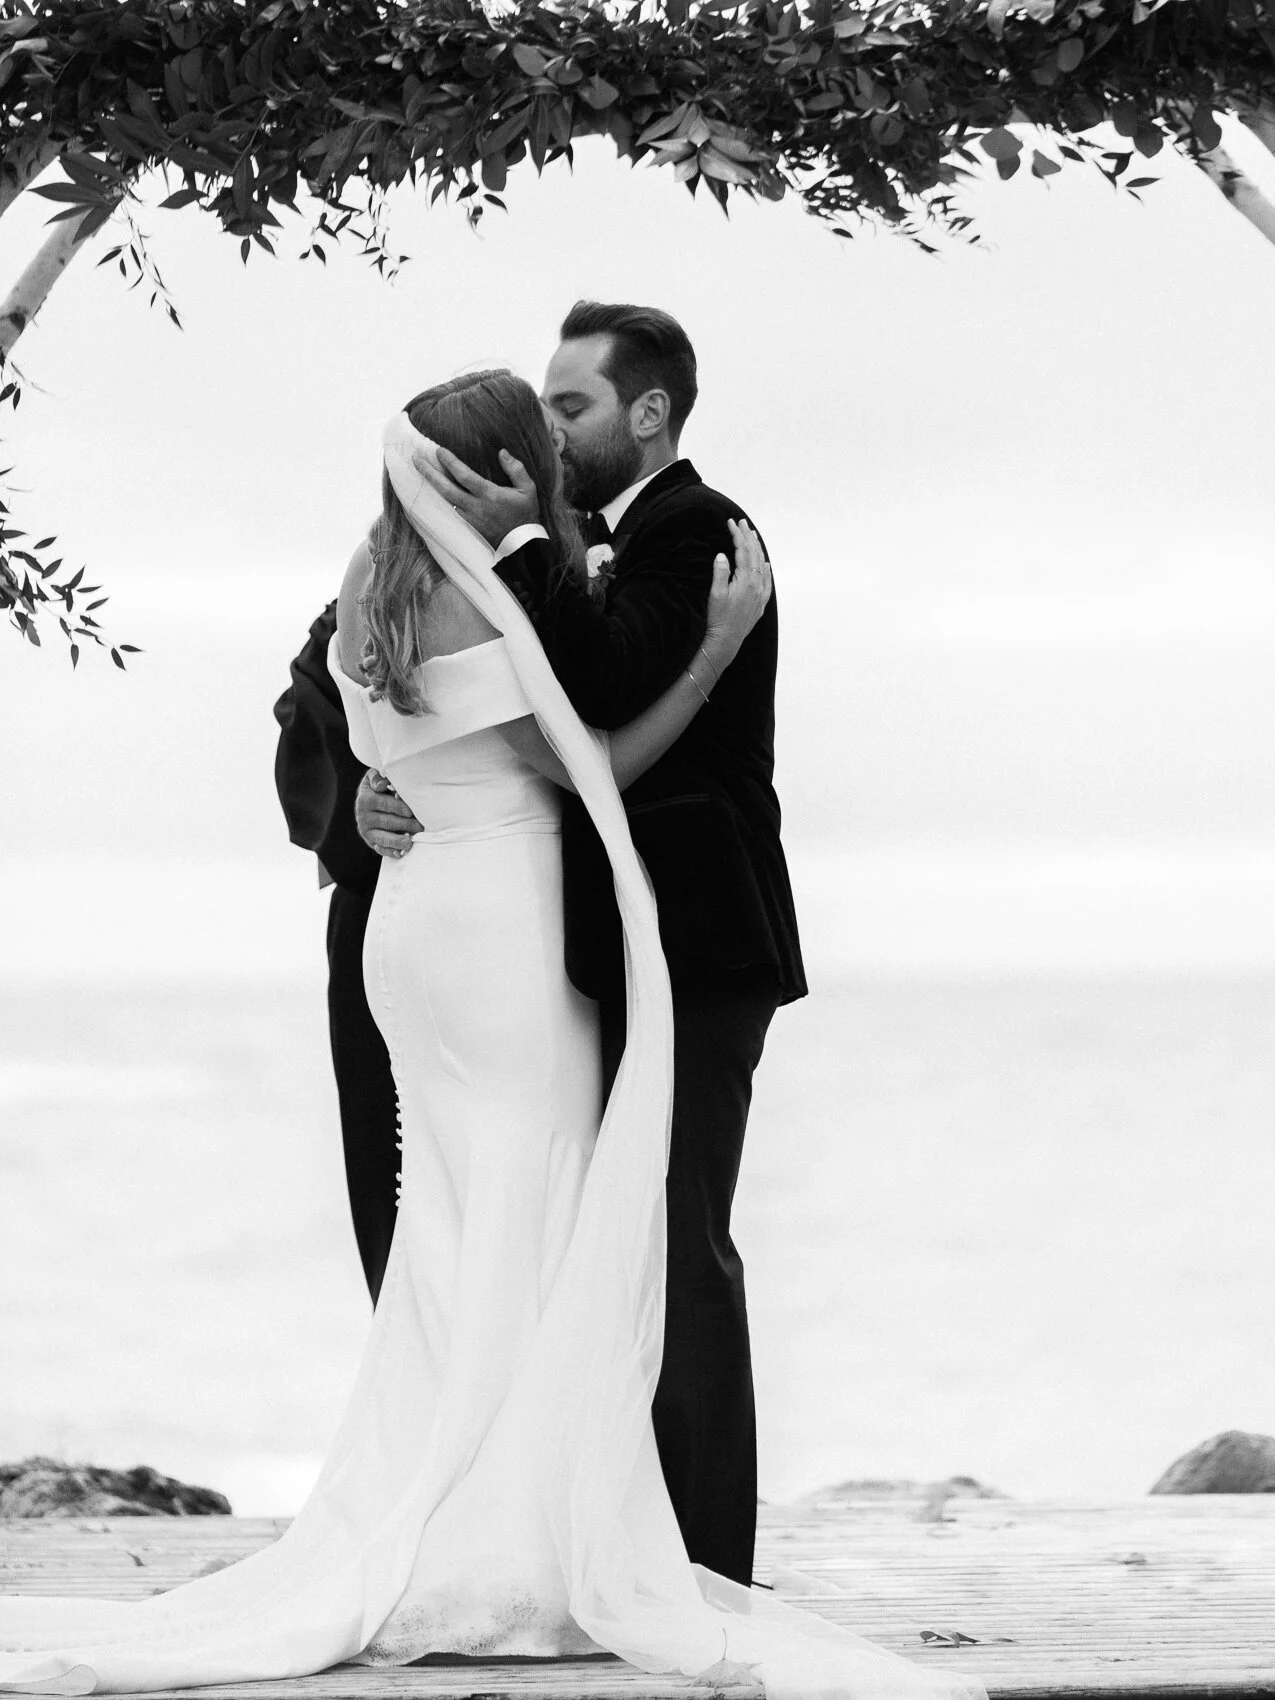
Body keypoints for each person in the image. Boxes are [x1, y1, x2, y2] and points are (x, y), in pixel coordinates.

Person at [0, 371, 982, 1700]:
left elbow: (373, 738)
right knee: (540, 1209)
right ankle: (508, 1546)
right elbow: (596, 765)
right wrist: (709, 652)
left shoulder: (367, 580)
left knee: (450, 1226)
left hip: (409, 933)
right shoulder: (499, 595)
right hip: (503, 936)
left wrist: (380, 787)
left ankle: (443, 1513)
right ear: (505, 467)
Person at [359, 301, 806, 1590]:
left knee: (675, 1240)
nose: (550, 439)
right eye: (543, 410)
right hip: (584, 948)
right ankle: (596, 1538)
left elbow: (599, 688)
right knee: (591, 1237)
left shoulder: (697, 530)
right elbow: (393, 700)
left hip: (697, 935)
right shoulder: (556, 549)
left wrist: (524, 547)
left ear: (649, 412)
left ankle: (707, 1566)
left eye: (573, 407)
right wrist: (381, 789)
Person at [273, 607, 400, 1305]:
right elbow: (309, 706)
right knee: (388, 1171)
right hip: (378, 899)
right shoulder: (377, 581)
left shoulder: (564, 575)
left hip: (533, 906)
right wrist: (358, 794)